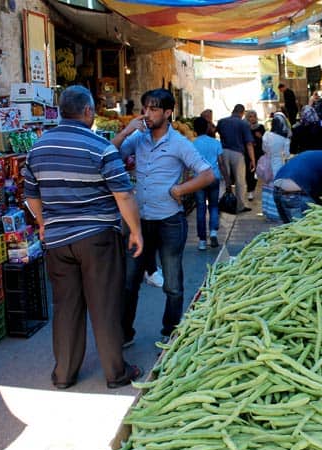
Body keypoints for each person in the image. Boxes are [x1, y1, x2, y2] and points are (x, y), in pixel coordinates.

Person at [23, 85, 143, 389]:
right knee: (104, 304)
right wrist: (136, 232)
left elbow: (31, 194)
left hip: (58, 240)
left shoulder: (38, 147)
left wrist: (42, 223)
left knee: (66, 306)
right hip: (97, 238)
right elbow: (123, 195)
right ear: (88, 111)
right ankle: (116, 373)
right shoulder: (99, 146)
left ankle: (64, 374)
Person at [113, 88, 214, 344]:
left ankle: (170, 332)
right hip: (139, 222)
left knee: (173, 284)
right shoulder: (139, 139)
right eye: (145, 108)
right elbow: (110, 155)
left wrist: (180, 188)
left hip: (169, 221)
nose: (147, 114)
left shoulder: (180, 143)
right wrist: (126, 131)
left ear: (168, 113)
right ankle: (124, 333)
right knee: (129, 282)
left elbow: (207, 174)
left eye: (154, 108)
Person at [273, 150, 322, 223]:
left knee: (287, 230)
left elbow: (318, 194)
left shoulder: (319, 158)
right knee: (303, 229)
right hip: (295, 193)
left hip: (277, 188)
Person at [216, 104, 255, 213]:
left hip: (223, 152)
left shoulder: (221, 121)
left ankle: (222, 203)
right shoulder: (243, 124)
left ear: (233, 111)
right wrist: (253, 160)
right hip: (237, 153)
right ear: (242, 113)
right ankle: (240, 205)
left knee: (224, 179)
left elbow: (215, 133)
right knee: (240, 180)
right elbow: (249, 144)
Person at [192, 116, 224, 250]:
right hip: (213, 177)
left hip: (199, 179)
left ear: (194, 130)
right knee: (214, 206)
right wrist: (227, 180)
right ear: (207, 128)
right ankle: (213, 232)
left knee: (200, 208)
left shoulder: (192, 144)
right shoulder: (215, 143)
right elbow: (221, 162)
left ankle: (202, 241)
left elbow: (189, 164)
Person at [245, 109, 265, 201]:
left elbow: (265, 140)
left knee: (256, 173)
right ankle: (250, 191)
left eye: (254, 116)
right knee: (249, 172)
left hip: (258, 153)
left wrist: (260, 137)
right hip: (248, 153)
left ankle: (252, 189)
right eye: (250, 116)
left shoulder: (260, 127)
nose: (252, 118)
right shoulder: (245, 128)